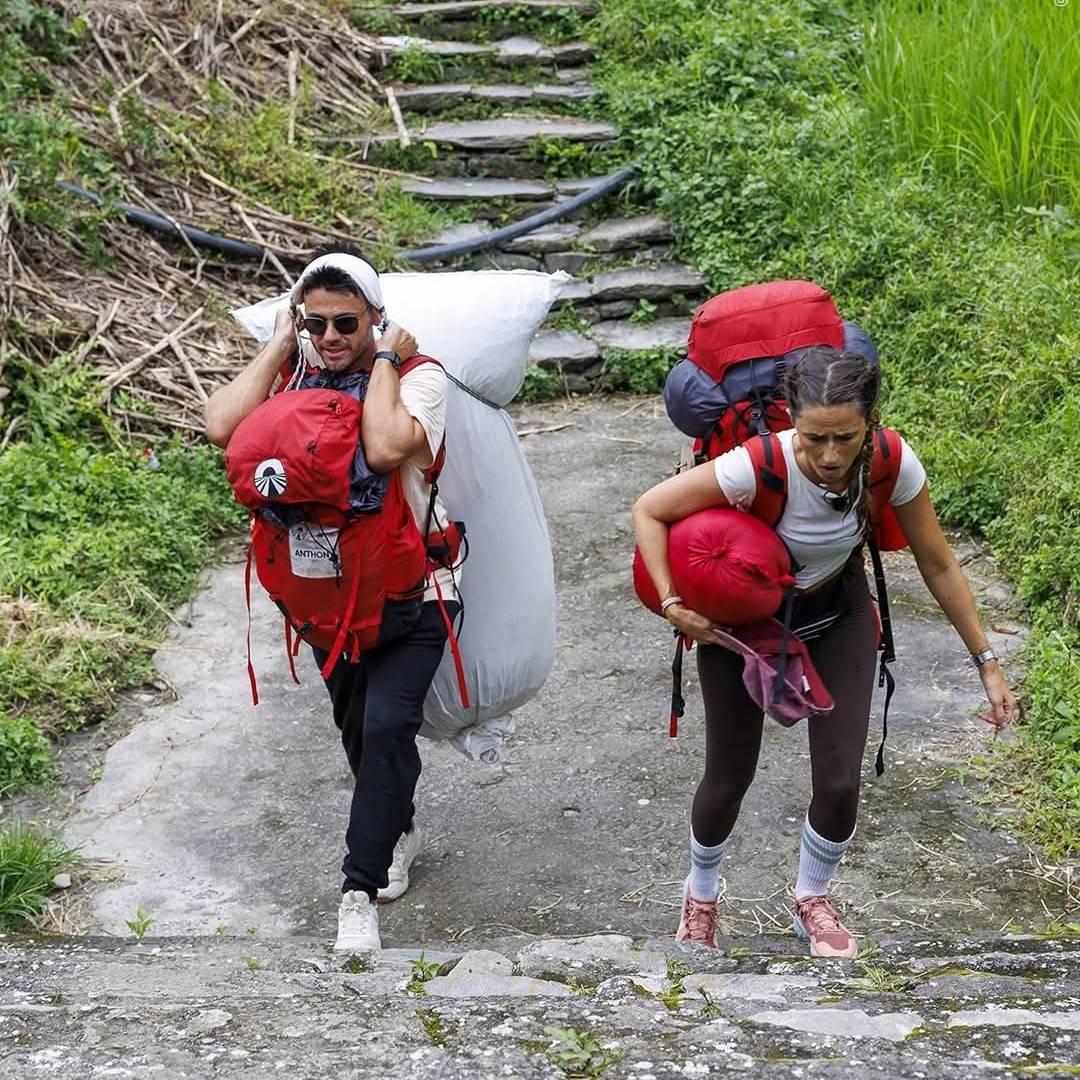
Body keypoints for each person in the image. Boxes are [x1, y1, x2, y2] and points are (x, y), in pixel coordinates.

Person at [632, 346, 1017, 957]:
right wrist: (673, 601)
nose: (831, 456)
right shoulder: (756, 464)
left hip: (839, 613)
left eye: (846, 438)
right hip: (746, 625)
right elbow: (650, 509)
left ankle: (812, 897)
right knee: (729, 778)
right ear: (792, 420)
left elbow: (939, 563)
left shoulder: (891, 461)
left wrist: (986, 663)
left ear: (870, 424)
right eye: (814, 438)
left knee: (839, 783)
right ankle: (700, 896)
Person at [205, 250, 457, 952]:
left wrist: (385, 360)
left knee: (385, 728)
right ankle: (399, 827)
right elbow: (221, 426)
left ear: (376, 318)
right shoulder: (294, 372)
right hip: (328, 597)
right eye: (315, 323)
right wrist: (279, 345)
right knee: (359, 734)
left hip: (417, 591)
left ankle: (357, 891)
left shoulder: (421, 376)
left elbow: (384, 448)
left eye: (346, 322)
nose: (331, 336)